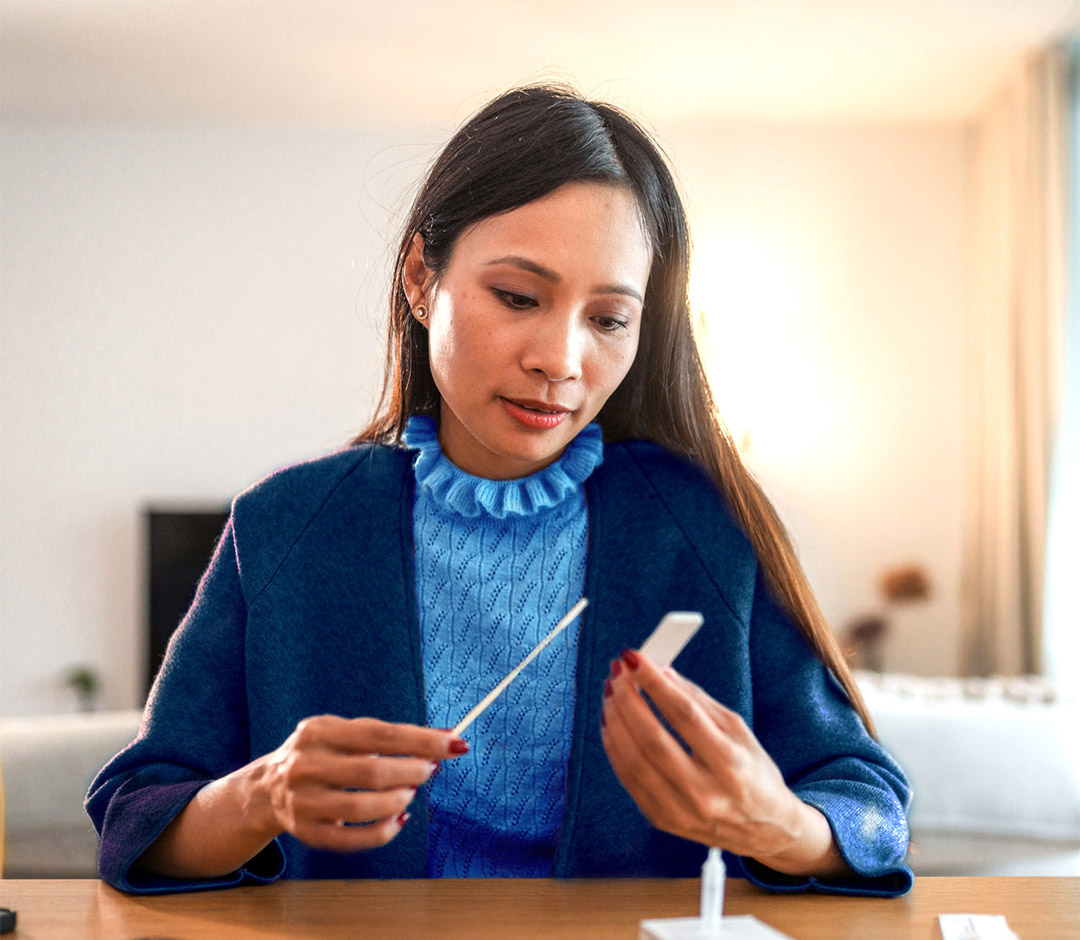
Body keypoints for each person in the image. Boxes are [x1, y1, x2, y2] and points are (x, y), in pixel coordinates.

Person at [87, 84, 912, 896]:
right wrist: (259, 795)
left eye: (609, 319)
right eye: (518, 297)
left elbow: (867, 802)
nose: (560, 358)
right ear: (420, 277)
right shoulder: (286, 526)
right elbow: (136, 818)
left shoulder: (704, 526)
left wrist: (779, 825)